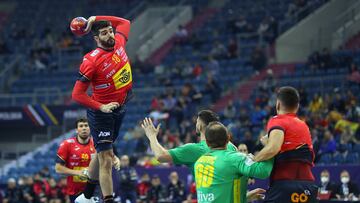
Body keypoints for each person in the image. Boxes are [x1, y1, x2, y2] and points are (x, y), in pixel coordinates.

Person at [71, 15, 133, 203]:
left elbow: (125, 23)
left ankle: (86, 197)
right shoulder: (91, 61)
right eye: (104, 33)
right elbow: (77, 94)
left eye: (111, 31)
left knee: (100, 154)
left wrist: (95, 18)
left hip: (119, 109)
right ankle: (108, 199)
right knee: (105, 158)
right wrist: (101, 107)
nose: (110, 35)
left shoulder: (120, 42)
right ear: (96, 38)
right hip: (101, 114)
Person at [141, 110, 266, 202]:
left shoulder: (194, 150)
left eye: (197, 121)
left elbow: (160, 156)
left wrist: (151, 136)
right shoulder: (231, 146)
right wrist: (246, 197)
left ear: (200, 125)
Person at [254, 86, 318, 202]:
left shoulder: (278, 120)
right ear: (297, 106)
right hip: (308, 186)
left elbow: (273, 149)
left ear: (278, 104)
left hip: (284, 185)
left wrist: (254, 160)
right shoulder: (303, 125)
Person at [194, 122, 273, 203]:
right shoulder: (235, 158)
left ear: (207, 142)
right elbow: (263, 171)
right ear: (228, 139)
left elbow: (217, 196)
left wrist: (245, 198)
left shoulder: (198, 163)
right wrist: (269, 146)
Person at [55, 118, 96, 203]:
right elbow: (58, 168)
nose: (84, 128)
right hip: (75, 192)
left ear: (90, 128)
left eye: (86, 126)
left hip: (95, 190)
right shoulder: (67, 144)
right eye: (81, 126)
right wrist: (78, 172)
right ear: (76, 130)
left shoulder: (97, 145)